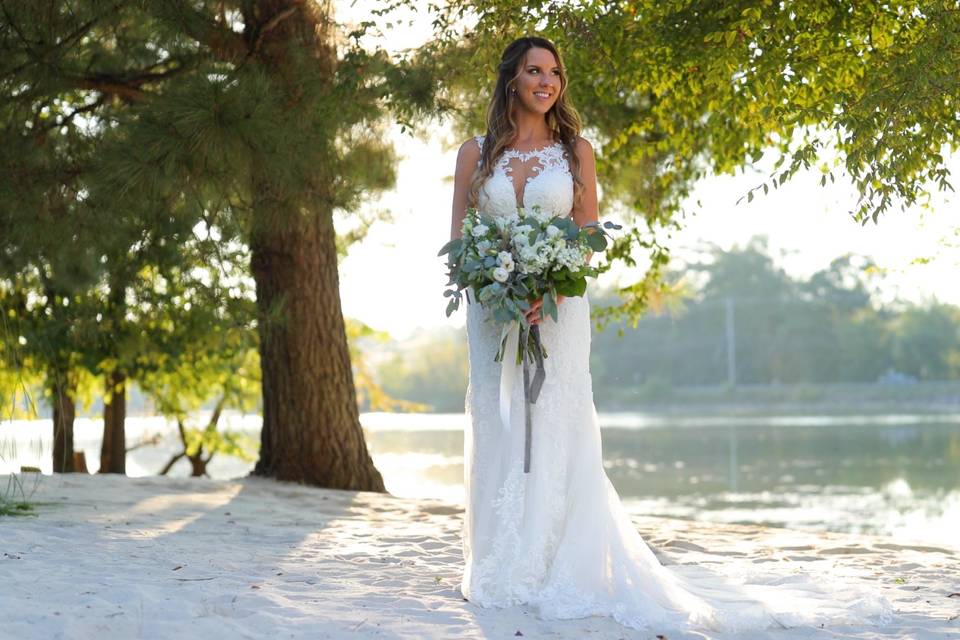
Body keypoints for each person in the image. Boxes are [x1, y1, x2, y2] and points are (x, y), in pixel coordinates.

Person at [448, 35, 896, 634]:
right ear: (511, 80)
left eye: (554, 72)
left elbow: (585, 236)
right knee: (498, 419)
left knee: (555, 421)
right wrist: (496, 289)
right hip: (493, 314)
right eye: (534, 71)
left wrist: (546, 292)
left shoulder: (575, 151)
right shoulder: (472, 154)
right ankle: (499, 563)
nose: (547, 82)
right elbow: (460, 244)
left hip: (557, 312)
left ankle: (548, 560)